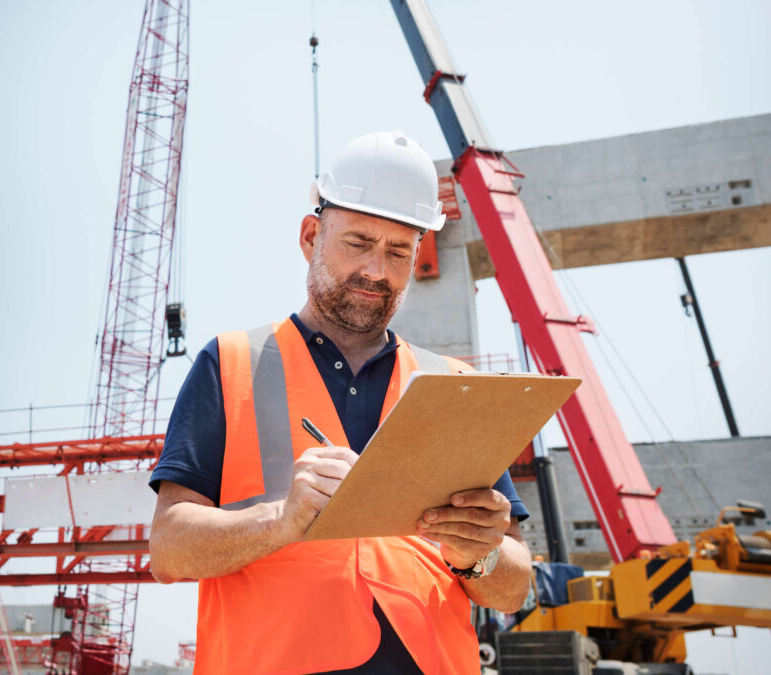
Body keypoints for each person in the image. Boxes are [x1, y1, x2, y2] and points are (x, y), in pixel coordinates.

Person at [148, 130, 533, 674]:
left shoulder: (454, 384)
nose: (377, 270)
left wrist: (479, 557)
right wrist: (279, 521)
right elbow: (168, 549)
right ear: (311, 236)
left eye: (399, 250)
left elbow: (514, 588)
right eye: (357, 243)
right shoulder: (231, 363)